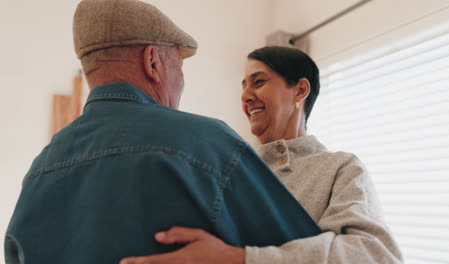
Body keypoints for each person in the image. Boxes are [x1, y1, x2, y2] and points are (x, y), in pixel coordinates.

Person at [4, 2, 323, 264]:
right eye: (178, 69)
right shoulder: (207, 145)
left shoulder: (41, 169)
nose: (181, 85)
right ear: (152, 62)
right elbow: (306, 251)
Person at [122, 46, 403, 264]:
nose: (245, 96)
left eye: (258, 82)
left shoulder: (339, 169)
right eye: (243, 86)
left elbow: (372, 256)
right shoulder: (230, 169)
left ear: (300, 90)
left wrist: (240, 259)